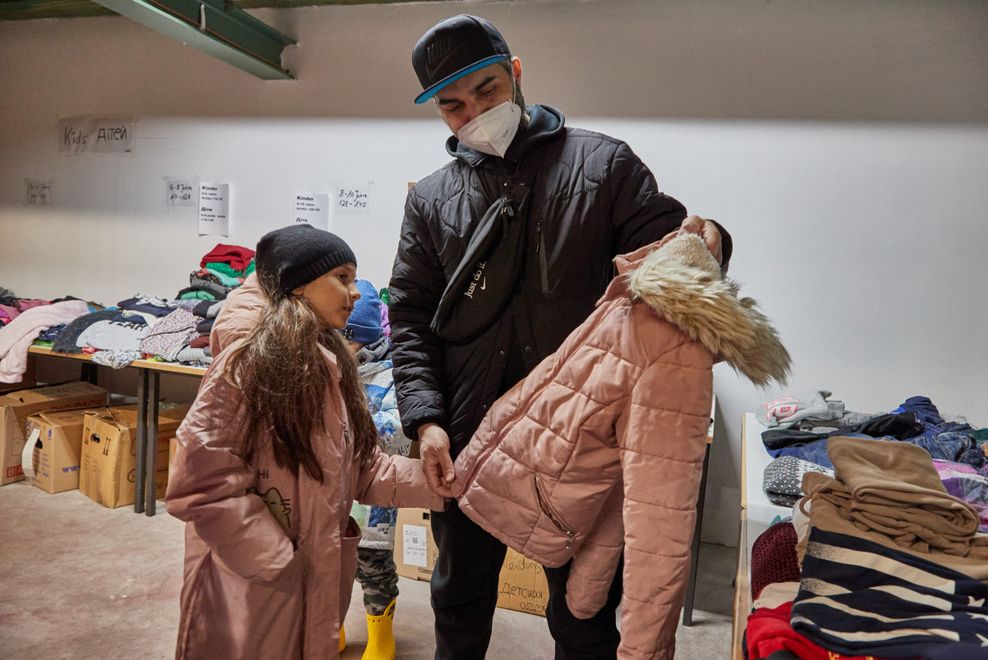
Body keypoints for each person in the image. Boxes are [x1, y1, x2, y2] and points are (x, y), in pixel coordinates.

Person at [388, 14, 732, 659]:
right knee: (458, 598)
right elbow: (408, 315)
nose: (473, 113)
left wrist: (712, 243)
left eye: (486, 91)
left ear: (515, 74)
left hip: (578, 431)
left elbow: (674, 260)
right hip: (469, 433)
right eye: (452, 105)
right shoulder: (431, 199)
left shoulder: (602, 165)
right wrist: (425, 418)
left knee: (584, 609)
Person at [450, 232, 790, 659]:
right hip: (533, 486)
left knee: (582, 624)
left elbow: (660, 524)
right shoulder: (628, 302)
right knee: (565, 609)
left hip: (554, 504)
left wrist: (643, 650)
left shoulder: (674, 349)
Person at [166, 225, 446, 660]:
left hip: (311, 576)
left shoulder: (329, 366)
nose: (354, 293)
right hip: (254, 582)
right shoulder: (248, 367)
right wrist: (277, 559)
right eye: (343, 277)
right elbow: (199, 484)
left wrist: (443, 480)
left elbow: (361, 468)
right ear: (298, 285)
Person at [343, 279, 412, 660]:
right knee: (328, 566)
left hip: (372, 498)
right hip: (330, 491)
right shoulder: (329, 368)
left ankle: (380, 636)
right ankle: (331, 625)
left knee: (372, 567)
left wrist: (347, 429)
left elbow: (399, 431)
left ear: (366, 339)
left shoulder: (391, 376)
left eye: (349, 341)